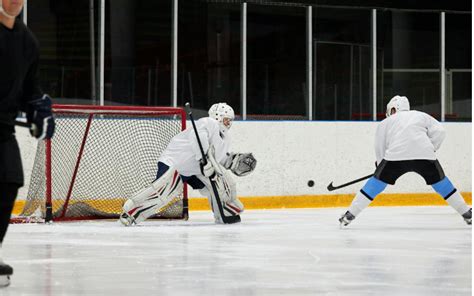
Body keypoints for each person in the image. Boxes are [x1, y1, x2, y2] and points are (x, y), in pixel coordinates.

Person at [339, 95, 471, 227]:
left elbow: (380, 146)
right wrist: (431, 148)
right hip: (425, 155)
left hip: (395, 157)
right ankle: (467, 213)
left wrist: (379, 166)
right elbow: (440, 131)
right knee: (442, 184)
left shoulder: (386, 122)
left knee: (375, 185)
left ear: (393, 109)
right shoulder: (421, 116)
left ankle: (350, 215)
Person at [119, 102, 256, 226]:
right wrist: (204, 161)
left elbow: (219, 159)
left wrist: (232, 162)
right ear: (217, 117)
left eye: (230, 120)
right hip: (176, 162)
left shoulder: (225, 138)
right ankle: (130, 212)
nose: (228, 123)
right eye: (226, 119)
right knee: (163, 194)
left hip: (195, 169)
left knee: (220, 184)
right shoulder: (208, 123)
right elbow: (197, 138)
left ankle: (224, 213)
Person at [0, 0, 55, 287]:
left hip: (3, 130)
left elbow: (29, 87)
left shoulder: (26, 42)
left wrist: (37, 106)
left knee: (10, 181)